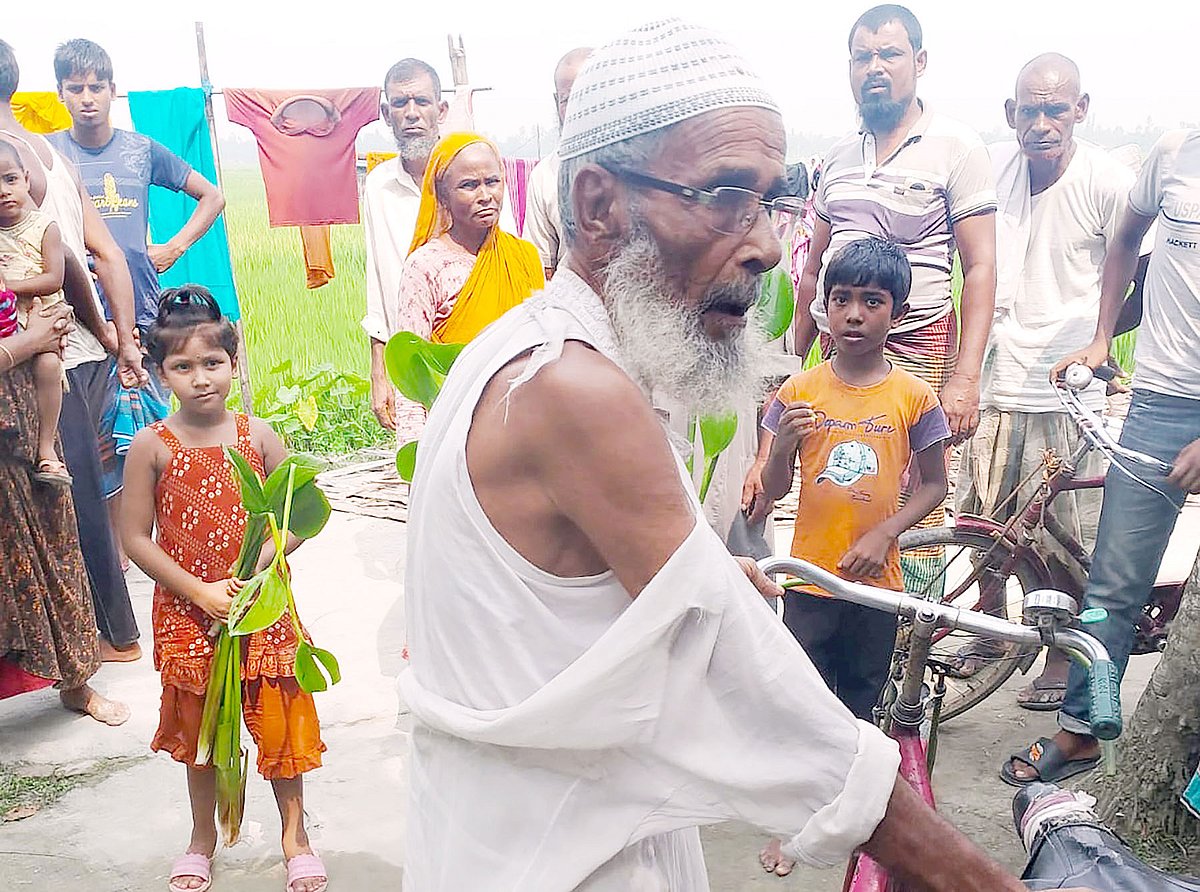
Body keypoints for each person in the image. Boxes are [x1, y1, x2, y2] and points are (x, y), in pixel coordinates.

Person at [398, 19, 1090, 891]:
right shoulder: (575, 389)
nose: (766, 244)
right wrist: (979, 879)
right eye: (726, 195)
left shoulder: (543, 347)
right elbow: (742, 678)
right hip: (557, 854)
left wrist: (720, 574)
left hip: (536, 826)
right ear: (600, 205)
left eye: (771, 198)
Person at [1003, 128, 1200, 787]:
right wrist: (1099, 338)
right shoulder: (1174, 153)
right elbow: (1125, 238)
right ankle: (1083, 730)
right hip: (1161, 400)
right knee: (1114, 583)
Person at [120, 287, 327, 892]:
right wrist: (202, 592)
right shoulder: (152, 445)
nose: (200, 379)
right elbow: (136, 539)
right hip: (190, 612)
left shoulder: (258, 436)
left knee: (280, 722)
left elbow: (296, 516)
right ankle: (202, 837)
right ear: (161, 374)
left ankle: (296, 837)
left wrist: (261, 561)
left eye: (212, 364)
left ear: (233, 363)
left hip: (262, 606)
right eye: (183, 367)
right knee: (202, 728)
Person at [757, 237, 950, 874]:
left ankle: (853, 819)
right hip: (811, 582)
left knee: (861, 703)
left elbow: (933, 486)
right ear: (822, 307)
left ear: (896, 313)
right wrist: (781, 445)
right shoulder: (798, 392)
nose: (855, 314)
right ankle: (792, 824)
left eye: (873, 301)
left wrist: (883, 533)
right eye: (842, 299)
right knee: (803, 705)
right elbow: (775, 490)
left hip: (876, 589)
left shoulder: (915, 399)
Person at [782, 5, 997, 569]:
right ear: (849, 68)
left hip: (916, 351)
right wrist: (788, 365)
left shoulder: (956, 147)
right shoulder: (836, 158)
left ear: (919, 62)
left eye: (890, 54)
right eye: (862, 57)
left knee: (911, 500)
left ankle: (907, 642)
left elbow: (979, 268)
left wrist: (964, 380)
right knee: (837, 481)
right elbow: (810, 274)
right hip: (837, 355)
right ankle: (831, 604)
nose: (875, 67)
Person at [956, 54, 1136, 709]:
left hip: (1065, 383)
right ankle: (988, 634)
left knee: (1059, 531)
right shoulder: (990, 171)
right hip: (997, 372)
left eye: (1055, 109)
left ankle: (1060, 651)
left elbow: (1137, 271)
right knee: (983, 519)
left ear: (1080, 110)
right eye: (1028, 109)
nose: (1042, 122)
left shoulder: (1108, 180)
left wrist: (1101, 342)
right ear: (1011, 115)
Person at [49, 38, 225, 566]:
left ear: (112, 91)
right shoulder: (49, 154)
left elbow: (211, 195)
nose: (86, 98)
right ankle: (116, 555)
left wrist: (174, 246)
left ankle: (161, 540)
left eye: (95, 87)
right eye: (75, 88)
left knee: (148, 435)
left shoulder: (140, 150)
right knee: (95, 443)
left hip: (141, 318)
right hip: (80, 320)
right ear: (59, 92)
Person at [0, 38, 145, 664]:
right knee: (82, 491)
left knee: (54, 506)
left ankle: (84, 651)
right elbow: (103, 257)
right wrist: (118, 336)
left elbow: (60, 267)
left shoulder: (11, 166)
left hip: (36, 351)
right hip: (79, 346)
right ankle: (117, 638)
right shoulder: (51, 153)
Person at [361, 57, 517, 436]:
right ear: (386, 113)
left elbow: (506, 261)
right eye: (400, 104)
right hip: (417, 356)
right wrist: (381, 368)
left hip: (488, 354)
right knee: (425, 456)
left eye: (422, 102)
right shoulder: (379, 185)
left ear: (441, 109)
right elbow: (379, 281)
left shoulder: (478, 176)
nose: (411, 113)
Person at [0, 294, 128, 725]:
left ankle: (76, 683)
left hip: (29, 420)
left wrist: (49, 326)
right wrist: (32, 339)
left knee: (58, 548)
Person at [390, 131, 542, 442]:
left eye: (493, 181)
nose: (485, 195)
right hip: (457, 435)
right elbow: (409, 377)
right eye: (469, 185)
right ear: (442, 197)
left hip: (526, 430)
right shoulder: (427, 266)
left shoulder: (525, 257)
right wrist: (417, 460)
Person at [0, 139, 70, 485]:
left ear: (26, 179)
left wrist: (9, 286)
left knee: (48, 365)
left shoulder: (44, 227)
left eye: (10, 180)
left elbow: (54, 278)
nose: (3, 192)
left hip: (40, 316)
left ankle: (46, 450)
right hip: (7, 329)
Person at [524, 46, 592, 279]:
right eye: (568, 99)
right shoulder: (544, 176)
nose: (578, 110)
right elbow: (541, 268)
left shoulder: (640, 164)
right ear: (556, 102)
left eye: (588, 95)